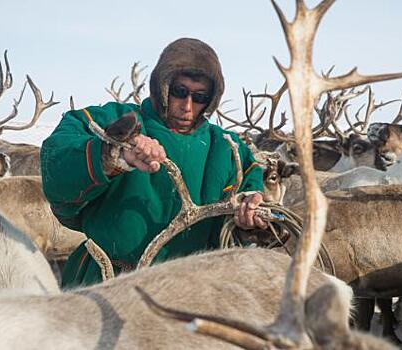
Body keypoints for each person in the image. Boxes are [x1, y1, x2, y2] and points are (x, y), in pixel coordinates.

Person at [40, 38, 267, 287]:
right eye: (180, 91)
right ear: (162, 86)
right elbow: (57, 160)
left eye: (200, 96)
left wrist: (249, 218)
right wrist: (111, 154)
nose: (187, 106)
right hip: (105, 283)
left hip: (192, 292)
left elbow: (250, 192)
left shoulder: (226, 149)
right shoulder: (116, 119)